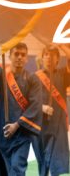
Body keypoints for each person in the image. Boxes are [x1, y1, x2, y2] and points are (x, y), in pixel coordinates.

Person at [0, 42, 42, 176]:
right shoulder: (0, 73)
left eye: (23, 55)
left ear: (27, 58)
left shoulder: (33, 79)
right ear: (9, 55)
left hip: (20, 135)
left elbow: (34, 107)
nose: (19, 57)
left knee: (17, 170)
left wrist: (16, 125)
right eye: (16, 54)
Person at [32, 44, 70, 176]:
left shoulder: (63, 75)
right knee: (42, 161)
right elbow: (28, 102)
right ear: (42, 58)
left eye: (52, 55)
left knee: (57, 161)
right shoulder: (34, 77)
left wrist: (61, 45)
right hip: (40, 124)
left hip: (58, 125)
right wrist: (42, 107)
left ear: (58, 59)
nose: (49, 58)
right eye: (46, 55)